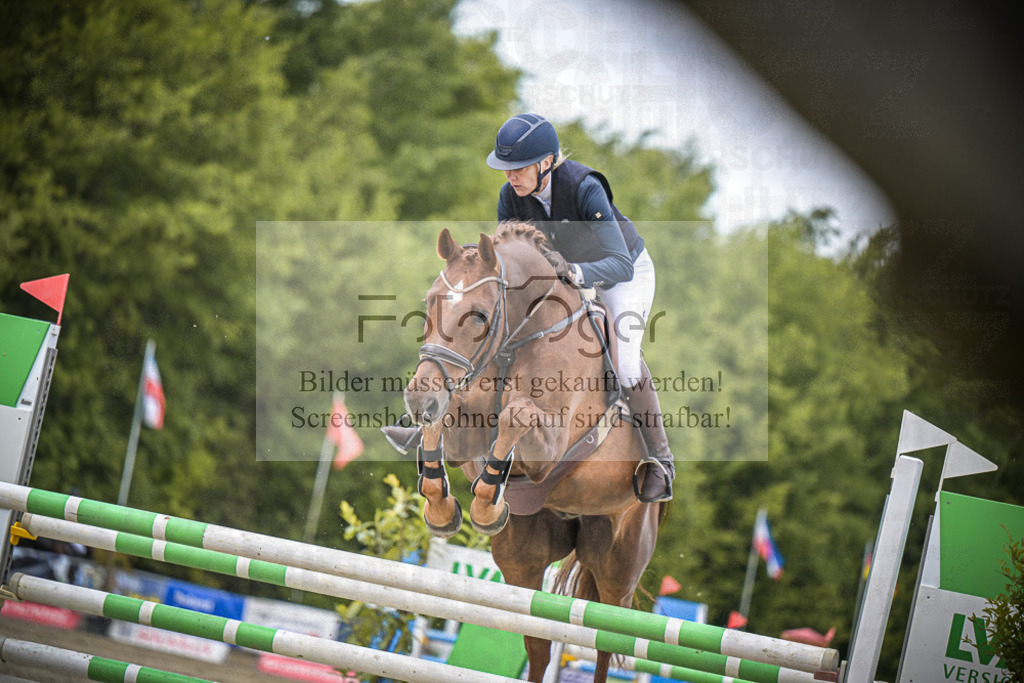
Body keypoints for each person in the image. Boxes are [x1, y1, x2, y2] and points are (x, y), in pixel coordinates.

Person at [383, 113, 675, 502]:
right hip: (555, 277)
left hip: (621, 272)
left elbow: (619, 263)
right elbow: (510, 258)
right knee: (493, 335)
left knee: (623, 362)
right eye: (505, 169)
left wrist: (573, 270)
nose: (510, 177)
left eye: (518, 168)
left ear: (545, 163)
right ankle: (432, 424)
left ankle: (660, 460)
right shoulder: (511, 196)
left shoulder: (585, 188)